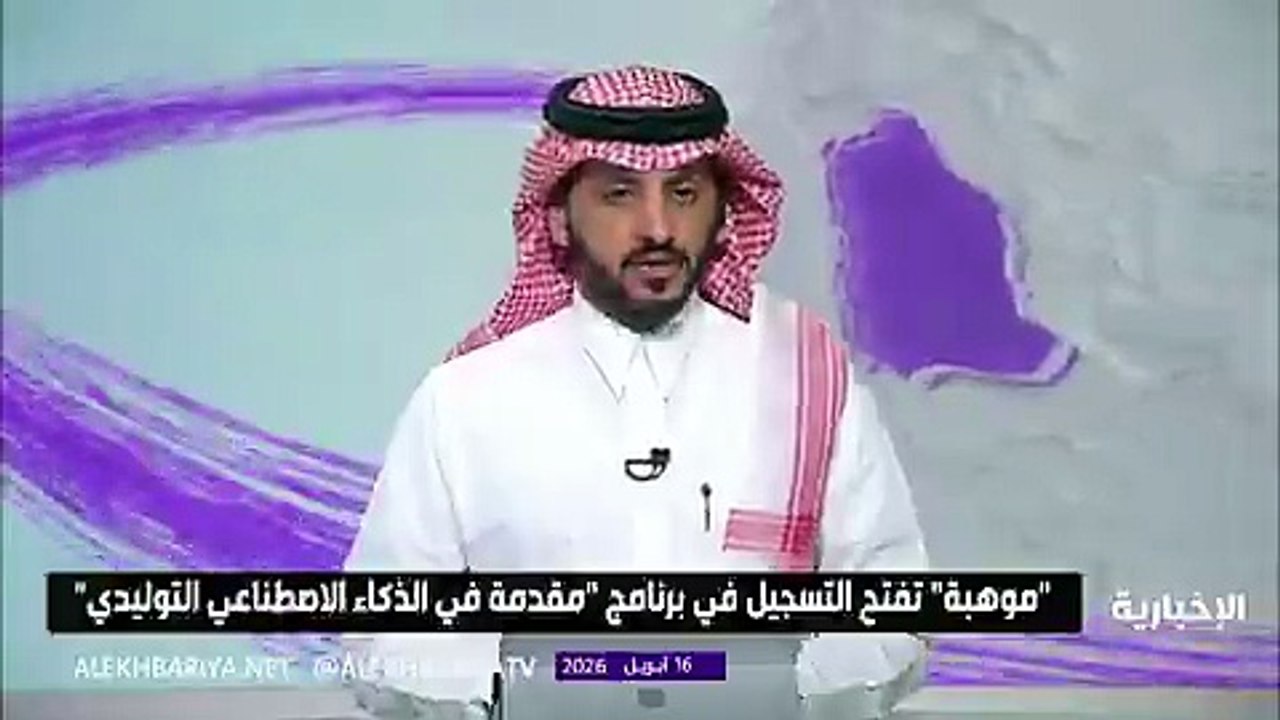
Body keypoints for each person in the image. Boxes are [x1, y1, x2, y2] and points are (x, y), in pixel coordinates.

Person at [344, 64, 930, 719]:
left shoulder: (808, 374)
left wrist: (769, 689)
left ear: (723, 209)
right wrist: (528, 690)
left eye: (684, 194)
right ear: (559, 216)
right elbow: (383, 628)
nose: (658, 228)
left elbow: (894, 605)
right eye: (620, 194)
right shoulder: (467, 397)